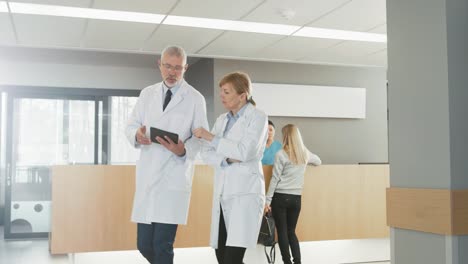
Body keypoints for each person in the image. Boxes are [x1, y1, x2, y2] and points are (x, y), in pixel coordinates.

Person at [125, 45, 208, 264]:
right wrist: (137, 135)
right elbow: (131, 124)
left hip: (174, 176)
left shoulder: (195, 98)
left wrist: (184, 150)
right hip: (148, 177)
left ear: (186, 68)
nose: (172, 72)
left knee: (162, 246)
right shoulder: (147, 94)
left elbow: (201, 136)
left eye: (177, 68)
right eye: (167, 66)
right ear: (159, 65)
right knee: (144, 245)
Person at [193, 72, 268, 264]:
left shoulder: (258, 117)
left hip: (244, 194)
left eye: (226, 92)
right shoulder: (222, 120)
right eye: (221, 92)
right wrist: (227, 158)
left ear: (242, 95)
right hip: (222, 194)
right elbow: (206, 152)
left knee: (232, 259)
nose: (222, 96)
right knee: (221, 257)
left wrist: (212, 138)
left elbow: (245, 152)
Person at [264, 124, 321, 264]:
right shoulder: (305, 154)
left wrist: (267, 200)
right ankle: (297, 262)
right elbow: (318, 161)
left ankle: (287, 262)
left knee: (282, 233)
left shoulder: (281, 154)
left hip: (280, 198)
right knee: (291, 232)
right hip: (296, 199)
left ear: (285, 136)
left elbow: (275, 178)